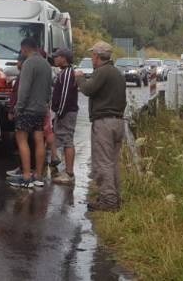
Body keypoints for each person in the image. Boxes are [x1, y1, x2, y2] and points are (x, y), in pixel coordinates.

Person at [75, 41, 127, 211]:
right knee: (112, 162)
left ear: (97, 56)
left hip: (104, 122)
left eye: (92, 55)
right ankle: (115, 197)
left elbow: (88, 89)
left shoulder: (102, 72)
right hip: (118, 121)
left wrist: (80, 78)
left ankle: (109, 201)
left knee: (103, 162)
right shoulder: (116, 73)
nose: (92, 58)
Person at [7, 38, 53, 189]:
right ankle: (38, 176)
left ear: (24, 48)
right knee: (39, 140)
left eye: (22, 50)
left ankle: (26, 176)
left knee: (22, 140)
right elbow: (49, 88)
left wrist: (18, 108)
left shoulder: (29, 63)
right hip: (41, 109)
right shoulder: (46, 64)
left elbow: (24, 89)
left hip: (27, 109)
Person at [51, 48, 79, 185]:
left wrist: (60, 112)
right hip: (64, 112)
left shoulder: (67, 73)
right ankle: (67, 171)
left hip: (67, 112)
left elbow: (65, 95)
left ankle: (69, 173)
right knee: (63, 138)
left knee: (68, 140)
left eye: (57, 57)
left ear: (64, 58)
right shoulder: (63, 72)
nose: (55, 59)